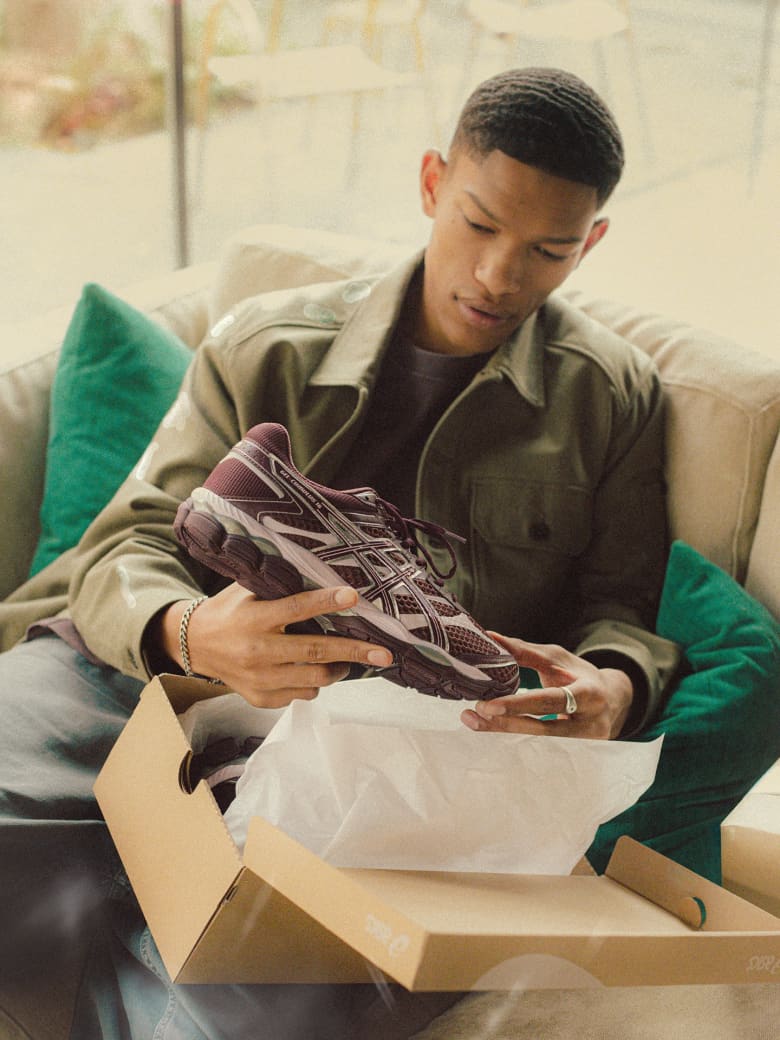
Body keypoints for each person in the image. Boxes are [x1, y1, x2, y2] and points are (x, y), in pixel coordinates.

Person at [0, 67, 682, 1038]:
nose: (500, 275)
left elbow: (624, 613)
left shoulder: (614, 399)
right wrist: (190, 630)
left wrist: (609, 688)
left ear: (592, 243)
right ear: (432, 183)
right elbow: (129, 541)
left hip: (365, 772)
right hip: (130, 683)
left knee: (222, 1020)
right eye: (480, 224)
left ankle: (131, 919)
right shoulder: (267, 342)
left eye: (548, 250)